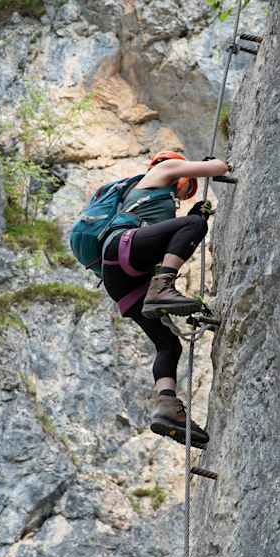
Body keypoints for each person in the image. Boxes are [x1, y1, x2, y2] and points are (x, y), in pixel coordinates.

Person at [100, 150, 229, 448]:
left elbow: (161, 243)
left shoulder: (149, 202)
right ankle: (162, 288)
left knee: (168, 344)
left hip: (123, 280)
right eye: (189, 186)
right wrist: (212, 165)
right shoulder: (164, 168)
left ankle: (166, 406)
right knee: (194, 226)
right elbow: (220, 167)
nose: (186, 193)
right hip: (123, 251)